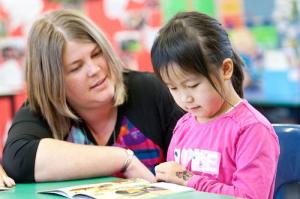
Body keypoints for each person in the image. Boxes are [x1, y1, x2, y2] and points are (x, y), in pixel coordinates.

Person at [2, 9, 183, 183]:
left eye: (96, 54)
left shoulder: (153, 91)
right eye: (76, 67)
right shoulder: (44, 109)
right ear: (53, 83)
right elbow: (18, 160)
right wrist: (123, 158)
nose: (95, 70)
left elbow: (196, 169)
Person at [151, 11, 279, 199]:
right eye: (173, 88)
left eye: (192, 85)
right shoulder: (185, 125)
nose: (185, 98)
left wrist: (188, 179)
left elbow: (249, 196)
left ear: (226, 69)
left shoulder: (252, 129)